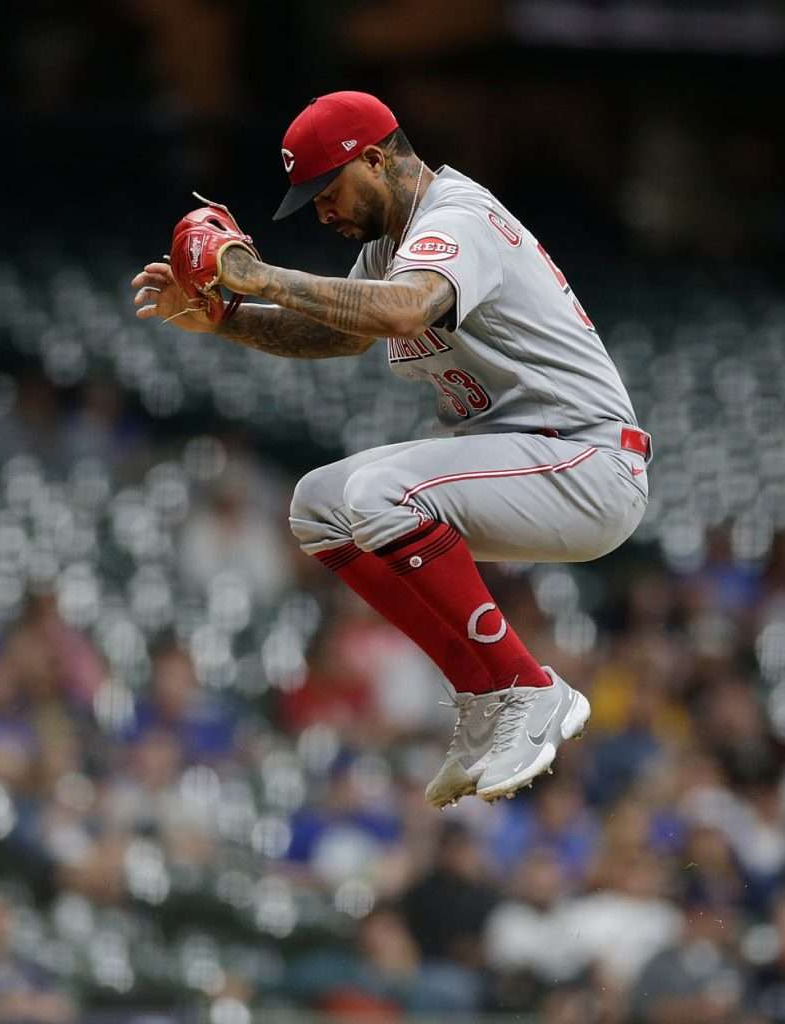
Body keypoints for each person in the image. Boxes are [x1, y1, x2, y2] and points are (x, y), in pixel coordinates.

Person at [133, 90, 651, 805]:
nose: (319, 210)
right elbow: (343, 332)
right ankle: (481, 692)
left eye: (326, 189)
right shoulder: (389, 243)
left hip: (586, 462)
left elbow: (405, 309)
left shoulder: (456, 217)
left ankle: (529, 687)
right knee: (317, 506)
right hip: (526, 458)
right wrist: (228, 320)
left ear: (375, 158)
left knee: (380, 495)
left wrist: (261, 278)